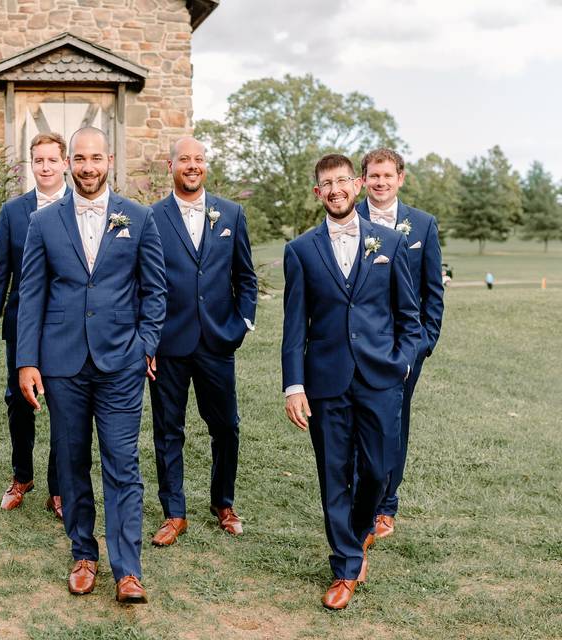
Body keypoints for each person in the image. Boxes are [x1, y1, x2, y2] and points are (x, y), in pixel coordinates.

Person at [16, 127, 166, 603]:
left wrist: (145, 343)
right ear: (67, 164)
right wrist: (27, 361)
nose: (86, 166)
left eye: (95, 158)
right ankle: (83, 553)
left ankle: (128, 569)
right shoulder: (43, 222)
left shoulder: (138, 218)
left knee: (123, 464)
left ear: (110, 160)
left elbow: (156, 290)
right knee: (72, 462)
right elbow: (31, 295)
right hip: (62, 364)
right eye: (78, 158)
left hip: (121, 361)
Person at [281, 154, 421, 609]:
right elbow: (294, 326)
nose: (336, 189)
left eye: (343, 180)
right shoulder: (300, 250)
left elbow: (410, 317)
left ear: (357, 185)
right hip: (326, 381)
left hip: (380, 378)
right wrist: (294, 385)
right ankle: (344, 564)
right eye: (327, 183)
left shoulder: (390, 243)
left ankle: (359, 533)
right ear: (318, 192)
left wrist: (401, 362)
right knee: (334, 473)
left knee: (379, 471)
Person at [147, 136, 259, 547]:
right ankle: (173, 513)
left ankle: (223, 502)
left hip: (217, 341)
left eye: (198, 159)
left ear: (205, 166)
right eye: (184, 160)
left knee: (226, 426)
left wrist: (242, 322)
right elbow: (143, 283)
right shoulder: (151, 217)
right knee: (167, 430)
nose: (191, 166)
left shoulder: (230, 213)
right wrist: (148, 341)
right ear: (170, 165)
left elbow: (245, 277)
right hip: (167, 346)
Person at [357, 148, 444, 539]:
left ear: (400, 178)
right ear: (363, 179)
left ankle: (386, 505)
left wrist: (423, 344)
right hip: (357, 345)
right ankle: (359, 499)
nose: (380, 182)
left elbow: (432, 291)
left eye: (387, 176)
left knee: (393, 423)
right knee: (356, 423)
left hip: (404, 348)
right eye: (374, 176)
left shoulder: (422, 226)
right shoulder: (347, 219)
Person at [0, 132, 67, 518]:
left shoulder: (80, 206)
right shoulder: (14, 211)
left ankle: (59, 487)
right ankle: (22, 476)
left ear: (64, 163)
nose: (45, 167)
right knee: (19, 401)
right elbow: (0, 271)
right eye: (39, 161)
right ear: (31, 165)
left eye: (52, 160)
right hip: (22, 322)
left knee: (65, 404)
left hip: (67, 325)